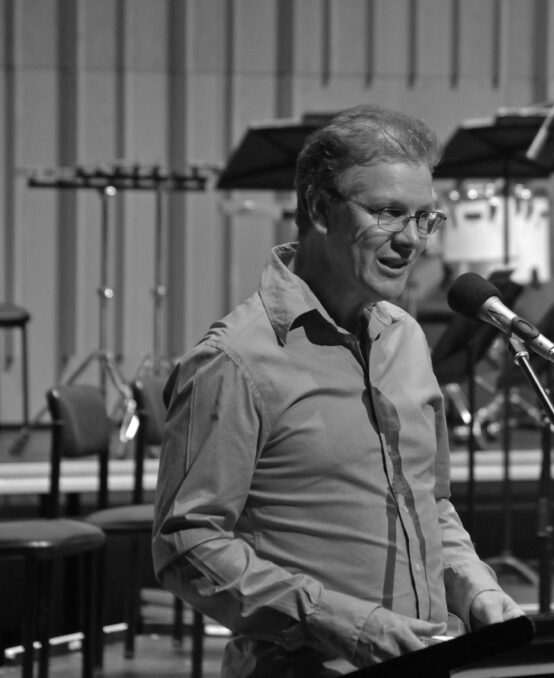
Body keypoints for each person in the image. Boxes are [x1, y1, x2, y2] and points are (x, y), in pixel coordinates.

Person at [152, 104, 523, 677]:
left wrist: (475, 590)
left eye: (425, 218)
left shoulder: (406, 339)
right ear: (320, 209)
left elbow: (430, 503)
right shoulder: (234, 359)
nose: (411, 241)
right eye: (388, 214)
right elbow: (187, 545)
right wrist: (342, 622)